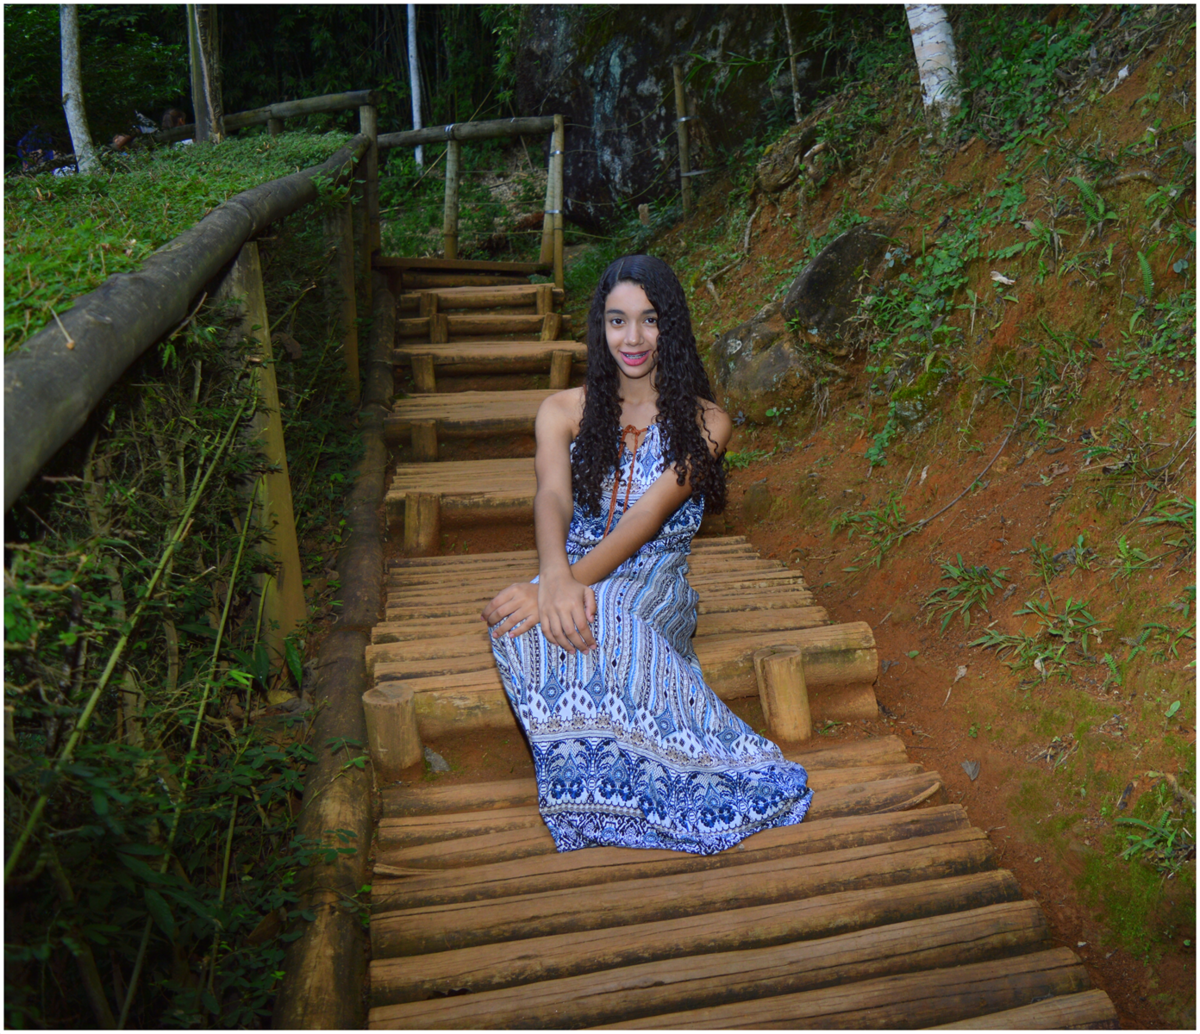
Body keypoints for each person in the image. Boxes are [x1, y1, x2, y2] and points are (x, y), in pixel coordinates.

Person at [482, 254, 813, 855]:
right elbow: (552, 495)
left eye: (649, 320)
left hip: (654, 575)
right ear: (600, 327)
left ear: (671, 326)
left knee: (600, 614)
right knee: (517, 626)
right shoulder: (561, 410)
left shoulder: (707, 422)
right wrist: (552, 578)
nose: (632, 338)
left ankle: (671, 783)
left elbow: (645, 518)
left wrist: (564, 588)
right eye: (618, 321)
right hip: (570, 563)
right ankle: (593, 790)